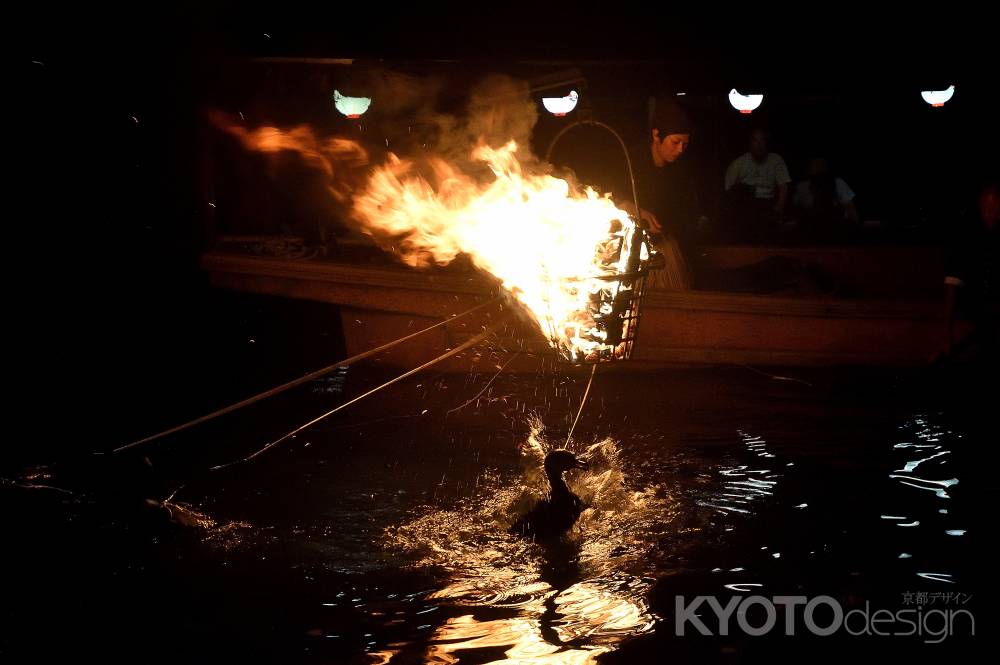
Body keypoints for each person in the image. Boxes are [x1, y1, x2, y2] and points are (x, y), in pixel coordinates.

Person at [623, 97, 699, 289]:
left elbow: (686, 211)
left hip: (667, 250)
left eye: (685, 144)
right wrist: (635, 211)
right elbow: (609, 199)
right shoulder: (631, 161)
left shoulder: (681, 171)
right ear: (656, 135)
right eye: (675, 142)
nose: (680, 149)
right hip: (632, 251)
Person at [943, 178, 999, 359]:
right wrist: (947, 336)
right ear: (981, 208)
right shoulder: (967, 238)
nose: (994, 216)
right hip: (976, 304)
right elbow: (953, 284)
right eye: (990, 210)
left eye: (998, 211)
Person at [723, 128, 791, 239]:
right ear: (750, 144)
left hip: (768, 203)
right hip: (746, 204)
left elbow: (784, 186)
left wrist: (779, 207)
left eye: (762, 141)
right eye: (755, 141)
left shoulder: (776, 160)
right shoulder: (739, 163)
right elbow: (729, 189)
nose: (759, 145)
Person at [792, 157, 859, 238]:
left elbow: (850, 207)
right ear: (810, 168)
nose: (819, 168)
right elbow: (796, 209)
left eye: (821, 165)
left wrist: (855, 226)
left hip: (835, 226)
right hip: (812, 228)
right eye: (816, 165)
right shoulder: (802, 186)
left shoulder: (838, 183)